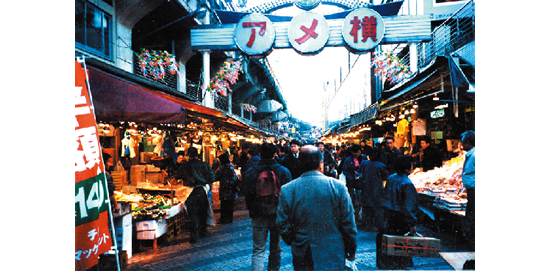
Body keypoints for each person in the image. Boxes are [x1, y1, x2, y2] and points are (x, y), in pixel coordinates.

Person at [276, 145, 357, 270]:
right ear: (321, 163)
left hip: (302, 250)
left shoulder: (287, 189)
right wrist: (351, 249)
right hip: (333, 251)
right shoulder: (338, 187)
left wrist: (293, 240)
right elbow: (348, 223)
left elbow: (282, 223)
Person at [242, 143, 292, 271]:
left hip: (258, 214)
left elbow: (247, 193)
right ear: (275, 154)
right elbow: (288, 195)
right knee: (276, 248)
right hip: (277, 215)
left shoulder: (251, 172)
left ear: (259, 154)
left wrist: (252, 210)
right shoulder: (283, 171)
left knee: (258, 250)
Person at [377, 155, 418, 269]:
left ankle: (391, 265)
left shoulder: (391, 178)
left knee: (391, 243)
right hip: (401, 219)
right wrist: (412, 224)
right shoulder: (407, 183)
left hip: (389, 216)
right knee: (401, 246)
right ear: (406, 169)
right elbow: (409, 206)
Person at [179, 147, 215, 244]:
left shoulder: (185, 166)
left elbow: (178, 177)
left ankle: (193, 235)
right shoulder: (204, 165)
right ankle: (202, 231)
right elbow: (211, 178)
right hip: (202, 190)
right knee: (202, 212)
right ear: (197, 155)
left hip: (190, 192)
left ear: (188, 155)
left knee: (192, 214)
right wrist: (210, 190)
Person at [359, 147, 388, 231]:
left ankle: (367, 225)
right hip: (377, 190)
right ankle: (378, 226)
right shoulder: (381, 165)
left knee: (366, 208)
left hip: (366, 188)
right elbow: (385, 177)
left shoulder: (364, 163)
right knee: (378, 209)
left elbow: (360, 172)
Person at [342, 144, 368, 218]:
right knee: (351, 198)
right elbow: (345, 170)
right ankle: (353, 214)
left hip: (361, 182)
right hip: (351, 182)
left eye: (358, 152)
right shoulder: (348, 159)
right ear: (352, 152)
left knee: (360, 198)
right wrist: (351, 178)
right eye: (355, 152)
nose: (357, 154)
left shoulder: (364, 158)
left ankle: (358, 214)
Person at [460, 130, 475, 251]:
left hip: (474, 190)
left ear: (468, 143)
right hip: (471, 189)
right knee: (471, 214)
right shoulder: (470, 154)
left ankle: (472, 241)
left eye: (463, 143)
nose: (461, 145)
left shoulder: (475, 155)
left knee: (473, 215)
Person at [216, 153, 238, 224]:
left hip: (225, 189)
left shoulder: (221, 168)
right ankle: (229, 219)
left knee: (224, 204)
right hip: (232, 189)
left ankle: (223, 219)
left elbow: (216, 176)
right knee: (230, 204)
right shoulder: (232, 167)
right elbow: (236, 178)